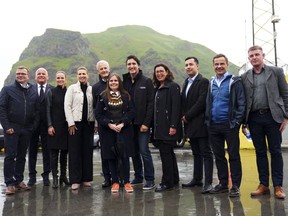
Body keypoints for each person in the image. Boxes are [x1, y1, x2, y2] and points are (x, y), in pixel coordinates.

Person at [241, 45, 288, 199]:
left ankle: (278, 186)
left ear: (263, 55)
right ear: (249, 59)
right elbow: (244, 101)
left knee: (275, 151)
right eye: (251, 56)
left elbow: (285, 94)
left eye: (257, 54)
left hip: (273, 117)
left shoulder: (276, 72)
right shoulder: (245, 76)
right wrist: (244, 122)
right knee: (260, 152)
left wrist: (286, 117)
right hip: (254, 119)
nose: (254, 57)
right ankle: (263, 185)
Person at [205, 54, 246, 197]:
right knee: (219, 156)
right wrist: (207, 121)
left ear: (227, 64)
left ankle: (235, 186)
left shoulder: (235, 81)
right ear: (213, 65)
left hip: (230, 125)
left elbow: (241, 103)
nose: (219, 66)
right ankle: (223, 184)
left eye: (222, 64)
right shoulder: (211, 82)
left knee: (233, 155)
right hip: (213, 125)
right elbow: (208, 103)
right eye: (216, 64)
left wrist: (236, 123)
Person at [0, 66, 39, 195]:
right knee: (10, 156)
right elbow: (2, 109)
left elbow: (37, 109)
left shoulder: (33, 90)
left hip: (27, 128)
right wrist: (6, 127)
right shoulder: (7, 90)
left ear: (28, 76)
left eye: (23, 74)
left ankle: (19, 181)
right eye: (18, 74)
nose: (20, 75)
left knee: (22, 156)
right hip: (12, 127)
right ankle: (10, 184)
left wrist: (32, 126)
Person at [95, 73, 135, 193]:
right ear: (108, 83)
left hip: (124, 130)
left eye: (116, 81)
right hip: (109, 131)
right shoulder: (102, 96)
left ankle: (127, 182)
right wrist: (110, 124)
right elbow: (98, 114)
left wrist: (123, 123)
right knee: (111, 157)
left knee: (125, 156)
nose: (113, 83)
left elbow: (132, 111)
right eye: (111, 81)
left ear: (119, 83)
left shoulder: (126, 95)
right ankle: (115, 182)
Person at [181, 57, 214, 194]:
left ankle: (208, 183)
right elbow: (184, 101)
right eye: (186, 65)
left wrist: (187, 116)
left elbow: (201, 102)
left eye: (191, 64)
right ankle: (197, 179)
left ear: (197, 66)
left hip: (200, 123)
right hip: (190, 125)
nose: (188, 67)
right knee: (196, 153)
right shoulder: (186, 82)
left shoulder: (203, 81)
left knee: (206, 153)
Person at [122, 55, 155, 190]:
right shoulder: (124, 82)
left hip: (142, 124)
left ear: (138, 65)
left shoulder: (146, 82)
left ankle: (150, 179)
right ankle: (138, 176)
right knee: (133, 152)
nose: (131, 66)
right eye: (129, 64)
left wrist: (146, 123)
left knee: (144, 151)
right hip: (129, 124)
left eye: (134, 63)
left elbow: (150, 103)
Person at [64, 66, 95, 190]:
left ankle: (86, 178)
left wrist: (96, 124)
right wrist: (70, 123)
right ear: (77, 76)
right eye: (80, 74)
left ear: (87, 75)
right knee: (75, 152)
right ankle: (75, 180)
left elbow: (95, 107)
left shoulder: (91, 89)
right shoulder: (72, 89)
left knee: (87, 151)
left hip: (89, 124)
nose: (82, 75)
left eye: (84, 73)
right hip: (75, 125)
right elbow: (67, 106)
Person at [152, 63, 181, 192]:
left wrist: (173, 125)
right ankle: (174, 179)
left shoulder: (173, 86)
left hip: (169, 127)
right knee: (169, 153)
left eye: (161, 71)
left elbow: (176, 108)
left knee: (165, 155)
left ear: (167, 72)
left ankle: (167, 182)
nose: (159, 73)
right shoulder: (158, 88)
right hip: (160, 127)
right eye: (157, 72)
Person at [28, 68, 54, 187]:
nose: (41, 75)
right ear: (35, 77)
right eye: (39, 74)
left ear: (48, 77)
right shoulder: (29, 89)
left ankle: (46, 176)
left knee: (47, 152)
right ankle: (32, 176)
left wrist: (52, 124)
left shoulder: (52, 89)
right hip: (32, 126)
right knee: (32, 151)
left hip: (47, 125)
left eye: (44, 74)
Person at [46, 71, 70, 189]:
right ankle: (55, 177)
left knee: (64, 154)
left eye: (62, 78)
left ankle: (63, 177)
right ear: (55, 79)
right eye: (58, 78)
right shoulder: (51, 92)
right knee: (54, 154)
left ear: (65, 79)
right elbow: (47, 110)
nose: (60, 79)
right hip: (54, 127)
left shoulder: (68, 92)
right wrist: (49, 125)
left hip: (66, 127)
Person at [92, 60, 111, 188]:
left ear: (109, 69)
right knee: (104, 152)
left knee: (118, 151)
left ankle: (119, 176)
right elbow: (95, 107)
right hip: (103, 125)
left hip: (117, 124)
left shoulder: (116, 82)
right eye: (101, 69)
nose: (104, 70)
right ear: (98, 71)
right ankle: (107, 177)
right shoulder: (95, 87)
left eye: (105, 68)